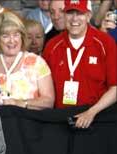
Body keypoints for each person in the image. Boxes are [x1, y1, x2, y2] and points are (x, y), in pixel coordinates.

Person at [43, 0, 117, 128]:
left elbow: (115, 88)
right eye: (70, 13)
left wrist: (91, 112)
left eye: (80, 13)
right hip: (60, 119)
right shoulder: (52, 46)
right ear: (64, 15)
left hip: (97, 118)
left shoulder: (105, 43)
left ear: (88, 16)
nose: (74, 19)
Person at [0, 11, 54, 109]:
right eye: (5, 36)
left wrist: (20, 103)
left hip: (28, 121)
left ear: (22, 36)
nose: (12, 40)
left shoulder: (37, 62)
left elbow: (49, 101)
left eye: (16, 35)